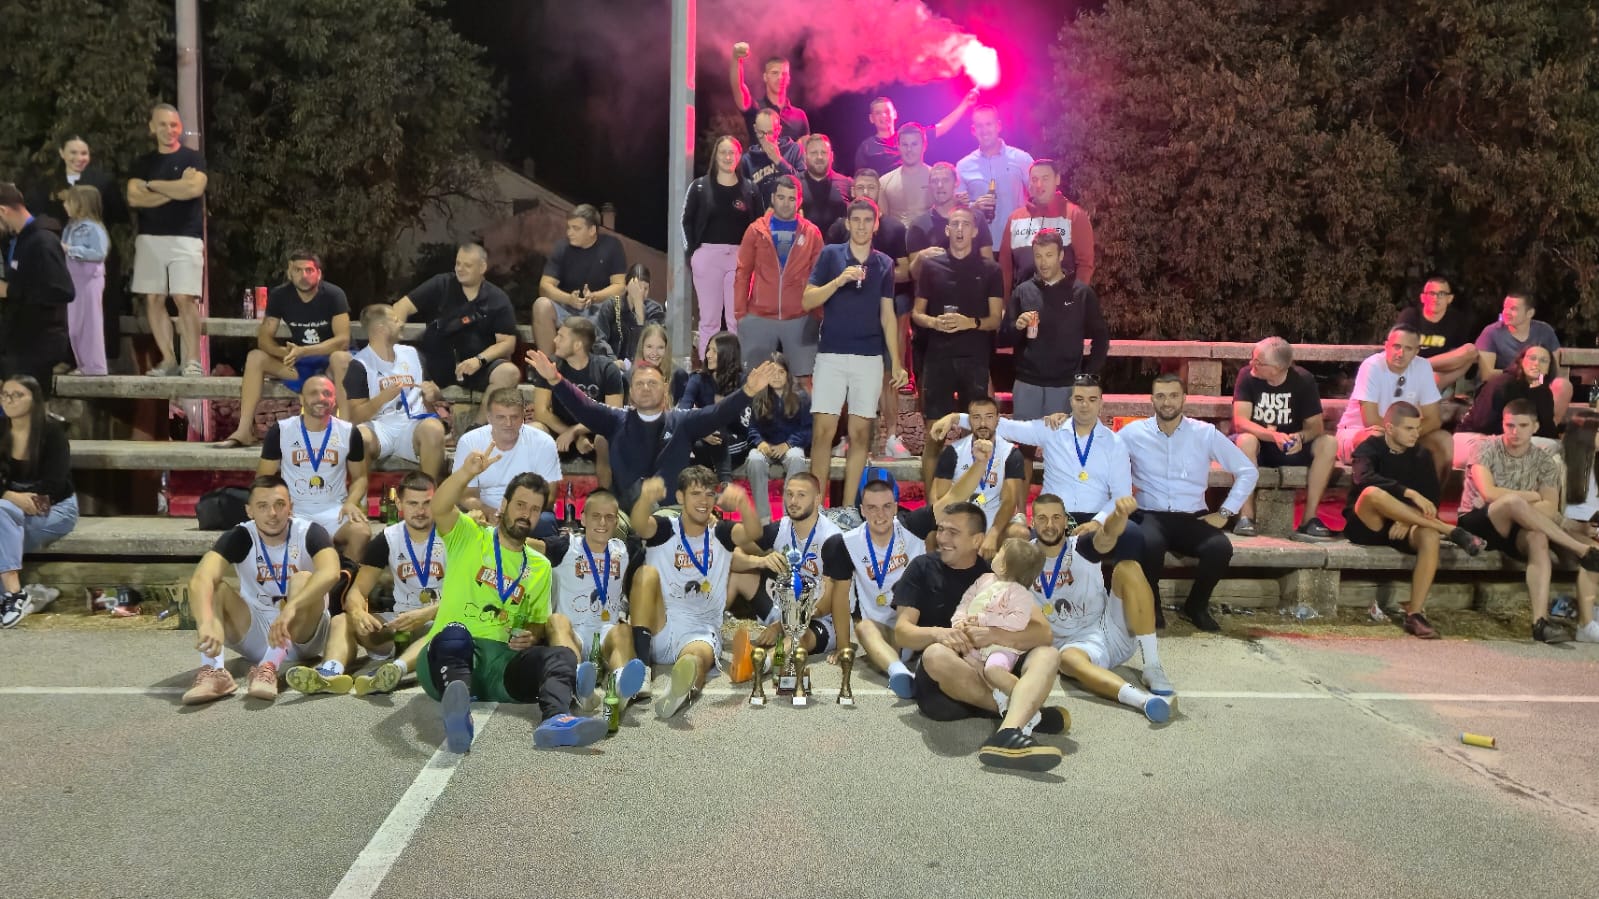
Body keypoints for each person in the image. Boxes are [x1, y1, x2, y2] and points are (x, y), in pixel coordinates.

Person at [421, 449, 608, 752]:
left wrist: (531, 636)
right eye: (520, 505)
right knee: (455, 634)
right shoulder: (469, 535)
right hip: (447, 659)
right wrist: (467, 472)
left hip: (502, 668)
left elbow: (537, 624)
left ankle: (556, 720)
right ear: (504, 505)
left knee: (560, 655)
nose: (526, 514)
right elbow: (439, 507)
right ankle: (458, 714)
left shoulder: (540, 566)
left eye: (535, 509)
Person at [895, 501, 1068, 771]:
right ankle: (1026, 712)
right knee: (934, 654)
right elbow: (902, 633)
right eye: (941, 530)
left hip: (995, 668)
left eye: (953, 532)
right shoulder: (922, 567)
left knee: (1049, 654)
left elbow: (1043, 632)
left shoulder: (999, 573)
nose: (942, 538)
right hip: (949, 683)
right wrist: (940, 633)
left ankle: (1008, 732)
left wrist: (992, 634)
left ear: (976, 540)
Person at [525, 349, 781, 511]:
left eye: (652, 383)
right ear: (631, 392)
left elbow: (718, 413)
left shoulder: (682, 422)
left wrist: (748, 391)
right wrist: (555, 380)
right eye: (640, 384)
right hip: (626, 513)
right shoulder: (615, 420)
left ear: (665, 387)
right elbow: (584, 406)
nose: (646, 388)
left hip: (672, 515)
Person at [932, 374, 1144, 562]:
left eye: (1092, 399)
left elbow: (1121, 495)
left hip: (1097, 516)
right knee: (1026, 547)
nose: (1085, 405)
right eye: (1079, 399)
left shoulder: (1115, 443)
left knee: (1133, 535)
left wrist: (1097, 522)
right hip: (1055, 516)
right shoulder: (1051, 429)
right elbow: (1006, 426)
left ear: (1101, 403)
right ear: (1070, 401)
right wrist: (955, 418)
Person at [179, 476, 339, 705]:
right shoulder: (240, 536)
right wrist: (205, 622)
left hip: (304, 634)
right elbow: (200, 578)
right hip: (257, 630)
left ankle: (269, 667)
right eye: (262, 506)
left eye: (279, 504)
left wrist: (290, 608)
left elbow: (331, 572)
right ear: (249, 510)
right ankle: (214, 671)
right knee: (215, 588)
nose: (272, 513)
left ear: (291, 507)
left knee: (302, 579)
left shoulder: (310, 532)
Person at [284, 471, 443, 696]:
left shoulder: (453, 535)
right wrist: (358, 612)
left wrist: (427, 613)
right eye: (413, 503)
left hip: (440, 617)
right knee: (342, 619)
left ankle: (395, 670)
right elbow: (357, 591)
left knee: (447, 628)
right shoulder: (388, 538)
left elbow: (467, 595)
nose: (420, 511)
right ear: (399, 504)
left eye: (427, 503)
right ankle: (330, 673)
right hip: (401, 620)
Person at [1122, 374, 1258, 631]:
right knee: (1148, 543)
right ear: (1152, 399)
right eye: (1161, 396)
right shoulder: (1133, 433)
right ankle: (1151, 605)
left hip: (1192, 516)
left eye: (1173, 395)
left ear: (1184, 398)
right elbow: (1103, 455)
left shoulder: (1204, 433)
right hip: (1150, 513)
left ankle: (1196, 606)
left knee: (1220, 548)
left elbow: (1247, 471)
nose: (1167, 402)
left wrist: (1226, 511)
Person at [1459, 399, 1599, 644]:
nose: (1515, 432)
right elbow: (1489, 493)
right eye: (1510, 425)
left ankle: (1540, 622)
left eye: (1523, 426)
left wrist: (1527, 503)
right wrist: (1532, 496)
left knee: (1537, 537)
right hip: (1479, 520)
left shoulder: (1544, 460)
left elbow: (1549, 507)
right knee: (1512, 502)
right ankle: (1579, 549)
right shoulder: (1485, 448)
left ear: (1535, 427)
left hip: (1520, 527)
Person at [1342, 403, 1487, 640]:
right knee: (1372, 493)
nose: (1415, 434)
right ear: (1390, 428)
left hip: (1405, 525)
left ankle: (1415, 614)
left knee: (1429, 535)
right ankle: (1449, 530)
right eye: (1409, 429)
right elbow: (1363, 479)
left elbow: (1430, 501)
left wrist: (1407, 520)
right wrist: (1408, 493)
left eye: (1417, 428)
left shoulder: (1422, 454)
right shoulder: (1369, 448)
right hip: (1368, 524)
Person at [628, 469, 763, 718]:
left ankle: (680, 689)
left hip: (700, 628)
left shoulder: (721, 533)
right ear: (680, 497)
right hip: (660, 622)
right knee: (645, 574)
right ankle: (642, 669)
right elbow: (639, 524)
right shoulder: (665, 528)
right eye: (696, 493)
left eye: (710, 494)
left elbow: (753, 533)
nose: (704, 500)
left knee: (696, 659)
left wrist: (744, 503)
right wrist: (645, 499)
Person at [1028, 493, 1175, 721]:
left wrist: (1118, 514)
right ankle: (1143, 701)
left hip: (1109, 629)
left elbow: (1107, 535)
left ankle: (1152, 666)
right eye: (1042, 518)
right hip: (1072, 646)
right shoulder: (1023, 557)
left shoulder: (1082, 546)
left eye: (1056, 517)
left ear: (1066, 521)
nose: (1049, 525)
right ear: (1032, 522)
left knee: (1128, 567)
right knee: (1067, 660)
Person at [803, 199, 906, 504]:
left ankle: (848, 508)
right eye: (856, 220)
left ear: (876, 224)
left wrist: (896, 362)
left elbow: (888, 316)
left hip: (869, 357)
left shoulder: (884, 264)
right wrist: (839, 280)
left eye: (867, 220)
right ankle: (816, 507)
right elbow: (808, 300)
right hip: (831, 355)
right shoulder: (830, 255)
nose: (861, 226)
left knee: (861, 435)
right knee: (823, 433)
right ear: (847, 223)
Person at [215, 251, 350, 448]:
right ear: (289, 273)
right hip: (300, 363)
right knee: (256, 357)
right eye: (298, 270)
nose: (303, 275)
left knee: (341, 358)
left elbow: (343, 340)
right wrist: (285, 354)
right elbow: (264, 339)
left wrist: (303, 351)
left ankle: (346, 431)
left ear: (319, 273)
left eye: (309, 270)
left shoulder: (334, 295)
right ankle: (244, 431)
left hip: (330, 364)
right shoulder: (280, 295)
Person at [540, 489, 650, 729]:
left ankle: (619, 684)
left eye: (609, 517)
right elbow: (529, 546)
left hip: (605, 630)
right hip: (573, 633)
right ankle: (580, 680)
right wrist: (496, 531)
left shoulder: (623, 550)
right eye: (596, 516)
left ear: (617, 521)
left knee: (623, 629)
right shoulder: (565, 546)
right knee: (556, 621)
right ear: (583, 518)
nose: (602, 523)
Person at [1007, 227, 1106, 488]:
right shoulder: (1023, 291)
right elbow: (1003, 338)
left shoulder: (1081, 293)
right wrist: (1016, 326)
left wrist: (1088, 377)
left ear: (1061, 255)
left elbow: (1101, 338)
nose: (1043, 262)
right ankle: (1020, 509)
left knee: (1065, 451)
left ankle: (1065, 506)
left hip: (1065, 385)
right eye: (1038, 256)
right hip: (1028, 384)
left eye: (1049, 255)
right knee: (1023, 452)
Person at [820, 478, 936, 696]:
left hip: (917, 628)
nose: (880, 514)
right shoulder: (846, 543)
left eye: (886, 506)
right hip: (882, 634)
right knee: (863, 627)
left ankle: (918, 663)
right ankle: (900, 674)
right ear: (862, 510)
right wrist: (843, 646)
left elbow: (952, 499)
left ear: (895, 507)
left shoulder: (913, 526)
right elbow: (841, 596)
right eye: (872, 508)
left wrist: (979, 463)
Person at [912, 207, 1003, 486]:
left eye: (965, 224)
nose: (960, 229)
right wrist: (934, 322)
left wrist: (969, 323)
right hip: (938, 358)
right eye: (955, 224)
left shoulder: (990, 269)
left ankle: (970, 497)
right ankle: (932, 503)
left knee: (975, 434)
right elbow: (917, 313)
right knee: (934, 434)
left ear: (975, 231)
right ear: (947, 230)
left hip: (974, 359)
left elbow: (995, 319)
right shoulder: (931, 266)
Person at [389, 244, 521, 429]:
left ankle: (476, 429)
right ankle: (436, 426)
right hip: (435, 361)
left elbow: (507, 343)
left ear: (482, 267)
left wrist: (479, 360)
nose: (460, 269)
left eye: (467, 265)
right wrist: (393, 337)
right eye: (458, 263)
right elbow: (401, 306)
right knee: (404, 363)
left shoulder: (497, 299)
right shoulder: (441, 284)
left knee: (509, 372)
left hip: (476, 366)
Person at [827, 170, 913, 457]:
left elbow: (905, 270)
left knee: (889, 371)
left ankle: (892, 436)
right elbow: (828, 270)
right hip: (850, 306)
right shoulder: (839, 228)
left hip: (886, 303)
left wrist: (876, 276)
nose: (865, 192)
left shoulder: (893, 228)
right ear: (852, 192)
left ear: (879, 191)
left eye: (871, 187)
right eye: (860, 187)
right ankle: (845, 437)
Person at [26, 136, 125, 366]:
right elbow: (34, 213)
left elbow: (118, 214)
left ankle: (95, 361)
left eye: (84, 153)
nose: (79, 158)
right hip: (57, 254)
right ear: (62, 153)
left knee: (93, 312)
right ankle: (65, 357)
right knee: (63, 309)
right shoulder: (47, 182)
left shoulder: (102, 181)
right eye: (73, 152)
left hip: (90, 260)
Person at [126, 104, 207, 377]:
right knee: (153, 298)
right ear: (152, 127)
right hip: (150, 238)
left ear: (180, 128)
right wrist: (176, 189)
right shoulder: (143, 162)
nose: (169, 130)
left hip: (186, 237)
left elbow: (194, 188)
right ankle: (169, 360)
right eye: (162, 124)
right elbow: (134, 197)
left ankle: (192, 360)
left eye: (173, 125)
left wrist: (153, 186)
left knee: (184, 298)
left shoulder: (193, 158)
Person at [1230, 337, 1337, 539]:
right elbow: (1241, 422)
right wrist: (1273, 435)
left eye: (1259, 362)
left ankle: (1309, 519)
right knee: (1245, 441)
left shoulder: (1303, 380)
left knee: (1329, 443)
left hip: (1290, 446)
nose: (1252, 364)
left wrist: (1300, 437)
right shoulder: (1247, 376)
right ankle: (1246, 517)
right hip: (1258, 446)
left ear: (1277, 368)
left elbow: (1316, 427)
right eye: (1253, 359)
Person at [257, 375, 370, 564]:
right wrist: (278, 507)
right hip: (295, 510)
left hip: (334, 509)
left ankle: (344, 580)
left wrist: (351, 502)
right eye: (313, 393)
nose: (321, 398)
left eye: (327, 393)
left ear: (334, 400)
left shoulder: (349, 431)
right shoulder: (281, 430)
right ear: (302, 399)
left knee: (361, 533)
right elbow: (263, 479)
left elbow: (360, 478)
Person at [733, 474, 844, 663]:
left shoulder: (832, 539)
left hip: (819, 617)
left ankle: (761, 664)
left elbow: (826, 603)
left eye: (801, 495)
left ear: (817, 499)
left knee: (799, 637)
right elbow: (731, 553)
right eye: (789, 494)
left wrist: (780, 626)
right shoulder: (780, 528)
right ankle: (707, 632)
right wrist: (760, 561)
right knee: (736, 575)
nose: (793, 501)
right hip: (782, 606)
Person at [0, 376, 79, 628]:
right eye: (5, 394)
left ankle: (15, 595)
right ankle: (28, 596)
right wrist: (10, 497)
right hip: (8, 510)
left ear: (34, 400)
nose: (9, 400)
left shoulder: (52, 434)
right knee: (3, 513)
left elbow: (53, 486)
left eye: (17, 395)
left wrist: (11, 500)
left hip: (55, 509)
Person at [340, 304, 448, 480]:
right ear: (381, 329)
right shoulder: (360, 365)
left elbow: (431, 394)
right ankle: (361, 494)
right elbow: (356, 417)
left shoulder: (412, 354)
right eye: (396, 320)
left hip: (412, 424)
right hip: (379, 426)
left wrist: (434, 394)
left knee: (434, 429)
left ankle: (428, 492)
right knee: (359, 437)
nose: (401, 324)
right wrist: (381, 399)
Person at [1336, 323, 1452, 485]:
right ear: (1386, 346)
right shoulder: (1372, 366)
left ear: (1416, 351)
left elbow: (1433, 419)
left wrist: (1408, 435)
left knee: (1443, 440)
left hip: (1401, 433)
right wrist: (1404, 436)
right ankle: (1381, 497)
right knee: (1377, 438)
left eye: (1408, 348)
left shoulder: (1422, 366)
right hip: (1357, 432)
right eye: (1396, 346)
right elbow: (1370, 421)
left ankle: (1430, 498)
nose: (1400, 353)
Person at [733, 176, 823, 378]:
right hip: (759, 317)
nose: (785, 203)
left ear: (799, 201)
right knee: (755, 380)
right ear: (773, 198)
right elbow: (742, 273)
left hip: (800, 318)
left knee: (804, 381)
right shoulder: (756, 230)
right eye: (781, 197)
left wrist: (817, 315)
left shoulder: (812, 233)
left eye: (791, 198)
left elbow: (819, 277)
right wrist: (740, 314)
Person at [683, 136, 759, 354]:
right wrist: (692, 254)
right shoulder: (699, 187)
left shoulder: (750, 190)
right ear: (715, 156)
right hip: (708, 256)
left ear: (739, 156)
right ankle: (709, 365)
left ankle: (735, 366)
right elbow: (685, 221)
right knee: (709, 320)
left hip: (739, 259)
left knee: (737, 319)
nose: (727, 157)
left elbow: (759, 227)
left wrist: (754, 258)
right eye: (723, 152)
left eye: (732, 153)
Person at [951, 538, 1046, 707]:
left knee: (993, 671)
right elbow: (967, 600)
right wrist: (959, 620)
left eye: (999, 553)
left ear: (1003, 566)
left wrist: (985, 619)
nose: (994, 555)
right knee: (965, 662)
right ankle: (1002, 701)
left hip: (1001, 648)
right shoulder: (984, 580)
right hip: (975, 644)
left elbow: (1018, 621)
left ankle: (1027, 702)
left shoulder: (1019, 594)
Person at [530, 317, 623, 486]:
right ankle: (541, 497)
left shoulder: (607, 369)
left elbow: (613, 414)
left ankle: (605, 497)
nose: (555, 340)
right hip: (559, 431)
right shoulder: (550, 366)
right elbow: (541, 412)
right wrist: (571, 434)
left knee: (604, 438)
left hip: (595, 432)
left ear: (578, 345)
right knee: (535, 430)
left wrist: (576, 431)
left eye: (561, 337)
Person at [451, 387, 562, 527]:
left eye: (514, 417)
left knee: (545, 521)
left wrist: (512, 516)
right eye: (501, 417)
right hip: (485, 513)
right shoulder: (469, 442)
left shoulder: (544, 442)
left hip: (528, 514)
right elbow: (466, 495)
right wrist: (489, 512)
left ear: (523, 415)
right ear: (489, 417)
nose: (508, 424)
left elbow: (549, 497)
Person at [0, 184, 74, 391]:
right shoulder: (20, 240)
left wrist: (9, 290)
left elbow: (61, 291)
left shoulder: (42, 241)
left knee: (29, 408)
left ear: (3, 210)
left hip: (36, 346)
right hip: (19, 343)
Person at [931, 395, 1024, 559]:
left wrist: (993, 534)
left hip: (994, 518)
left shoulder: (1010, 453)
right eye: (976, 417)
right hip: (961, 519)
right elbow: (939, 496)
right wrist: (950, 528)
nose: (982, 424)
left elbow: (1009, 502)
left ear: (998, 419)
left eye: (989, 417)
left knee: (1020, 534)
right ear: (969, 420)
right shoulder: (953, 452)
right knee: (931, 536)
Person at [534, 204, 628, 355]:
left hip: (599, 309)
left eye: (576, 228)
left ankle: (607, 362)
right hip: (568, 308)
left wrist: (595, 296)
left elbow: (620, 286)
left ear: (592, 230)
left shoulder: (612, 246)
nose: (569, 233)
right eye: (569, 227)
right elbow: (545, 287)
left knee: (617, 307)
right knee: (541, 305)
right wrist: (569, 299)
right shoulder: (561, 247)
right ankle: (549, 363)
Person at [998, 159, 1095, 298]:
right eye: (1034, 179)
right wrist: (1005, 304)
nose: (1039, 185)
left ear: (1057, 179)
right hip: (1024, 303)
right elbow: (1005, 266)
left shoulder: (1074, 215)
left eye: (1045, 178)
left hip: (1063, 303)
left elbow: (1085, 264)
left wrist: (1076, 301)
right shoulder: (1015, 218)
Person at [1475, 293, 1570, 420]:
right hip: (1504, 386)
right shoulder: (1491, 332)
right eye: (1505, 308)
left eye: (1513, 309)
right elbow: (1487, 375)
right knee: (1507, 386)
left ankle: (1548, 428)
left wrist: (1538, 381)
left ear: (1530, 313)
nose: (1506, 312)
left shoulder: (1544, 331)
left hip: (1536, 384)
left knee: (1562, 385)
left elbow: (1551, 370)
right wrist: (1524, 374)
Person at [679, 332, 757, 483]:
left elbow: (745, 426)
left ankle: (724, 481)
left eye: (714, 351)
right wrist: (702, 431)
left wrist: (725, 408)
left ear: (728, 354)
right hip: (704, 441)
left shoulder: (744, 382)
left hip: (735, 444)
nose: (708, 354)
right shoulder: (697, 379)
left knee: (718, 425)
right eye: (708, 349)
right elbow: (682, 413)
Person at [746, 353, 813, 525]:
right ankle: (764, 520)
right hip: (766, 446)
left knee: (796, 457)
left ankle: (788, 519)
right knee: (754, 459)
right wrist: (760, 442)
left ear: (788, 374)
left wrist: (788, 444)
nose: (776, 376)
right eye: (772, 372)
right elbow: (752, 427)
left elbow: (807, 429)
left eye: (781, 372)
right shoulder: (758, 396)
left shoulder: (801, 397)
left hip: (790, 446)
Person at [956, 106, 1035, 248]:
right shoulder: (963, 166)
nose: (984, 130)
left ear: (998, 126)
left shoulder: (1022, 159)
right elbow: (958, 209)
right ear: (973, 130)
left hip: (1018, 244)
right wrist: (974, 207)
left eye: (989, 124)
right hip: (980, 246)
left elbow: (1038, 196)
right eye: (979, 126)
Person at [854, 91, 979, 176]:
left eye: (887, 111)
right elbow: (860, 181)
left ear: (895, 114)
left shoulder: (910, 136)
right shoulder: (867, 147)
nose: (883, 116)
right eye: (878, 113)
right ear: (871, 118)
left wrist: (965, 104)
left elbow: (942, 127)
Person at [1555, 410, 1599, 644]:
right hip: (1564, 529)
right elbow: (1550, 512)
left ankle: (1594, 611)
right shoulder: (1560, 464)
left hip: (1592, 529)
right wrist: (1579, 529)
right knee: (1595, 554)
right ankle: (1585, 625)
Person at [59, 185, 110, 376]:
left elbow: (99, 253)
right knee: (75, 326)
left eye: (69, 201)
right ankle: (83, 364)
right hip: (73, 280)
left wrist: (71, 250)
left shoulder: (94, 228)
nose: (65, 205)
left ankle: (94, 366)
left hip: (89, 281)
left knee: (90, 323)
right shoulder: (70, 227)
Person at [907, 163, 995, 271]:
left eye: (945, 180)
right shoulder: (919, 225)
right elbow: (915, 275)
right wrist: (920, 258)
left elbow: (989, 265)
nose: (940, 185)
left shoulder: (976, 217)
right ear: (929, 185)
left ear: (956, 183)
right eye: (935, 181)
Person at [1397, 276, 1478, 390]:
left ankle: (1422, 375)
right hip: (1408, 372)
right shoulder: (1410, 316)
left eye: (1441, 294)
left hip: (1439, 373)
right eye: (1431, 293)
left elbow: (1456, 357)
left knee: (1470, 351)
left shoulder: (1457, 320)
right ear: (1423, 297)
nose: (1436, 298)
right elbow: (1400, 350)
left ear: (1449, 298)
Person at [1459, 345, 1557, 439]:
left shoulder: (1543, 391)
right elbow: (1483, 424)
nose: (1537, 363)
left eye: (1543, 361)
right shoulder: (1503, 384)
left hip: (1517, 439)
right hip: (1475, 435)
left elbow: (1547, 427)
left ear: (1548, 369)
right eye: (1532, 358)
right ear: (1521, 361)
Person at [729, 43, 810, 143]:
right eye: (775, 73)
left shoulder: (799, 116)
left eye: (784, 74)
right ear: (765, 77)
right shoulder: (755, 108)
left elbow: (806, 149)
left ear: (789, 78)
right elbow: (738, 87)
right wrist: (736, 59)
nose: (780, 77)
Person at [593, 263, 664, 364]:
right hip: (613, 364)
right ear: (626, 286)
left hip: (644, 365)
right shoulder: (611, 305)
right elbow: (599, 339)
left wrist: (639, 308)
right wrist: (612, 361)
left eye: (645, 288)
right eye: (637, 287)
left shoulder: (655, 309)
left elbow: (653, 342)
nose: (641, 292)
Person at [737, 110, 806, 212]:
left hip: (790, 215)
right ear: (755, 128)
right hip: (762, 218)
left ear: (779, 130)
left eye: (770, 133)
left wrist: (779, 161)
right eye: (761, 133)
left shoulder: (794, 149)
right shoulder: (747, 160)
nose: (765, 138)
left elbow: (803, 184)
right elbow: (745, 196)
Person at [877, 124, 935, 227]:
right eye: (905, 145)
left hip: (930, 236)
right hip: (898, 237)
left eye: (914, 144)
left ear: (924, 145)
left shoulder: (937, 179)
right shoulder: (884, 182)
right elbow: (883, 225)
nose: (909, 149)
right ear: (898, 146)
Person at [799, 135, 853, 237]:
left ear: (831, 156)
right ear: (805, 156)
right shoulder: (794, 184)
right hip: (804, 245)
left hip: (839, 246)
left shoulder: (847, 184)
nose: (819, 157)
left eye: (824, 152)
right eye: (814, 153)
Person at [629, 323, 690, 403]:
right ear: (642, 348)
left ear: (666, 349)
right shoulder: (630, 375)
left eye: (660, 347)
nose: (654, 353)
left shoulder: (678, 376)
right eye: (649, 347)